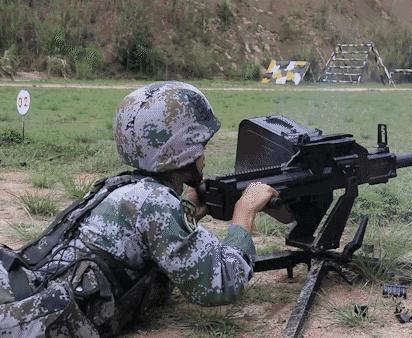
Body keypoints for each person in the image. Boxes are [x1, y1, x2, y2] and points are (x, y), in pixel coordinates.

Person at [0, 81, 278, 336]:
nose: (204, 155)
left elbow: (148, 244)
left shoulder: (121, 186)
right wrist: (245, 212)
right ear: (182, 151)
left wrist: (186, 211)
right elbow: (220, 283)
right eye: (201, 145)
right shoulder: (155, 202)